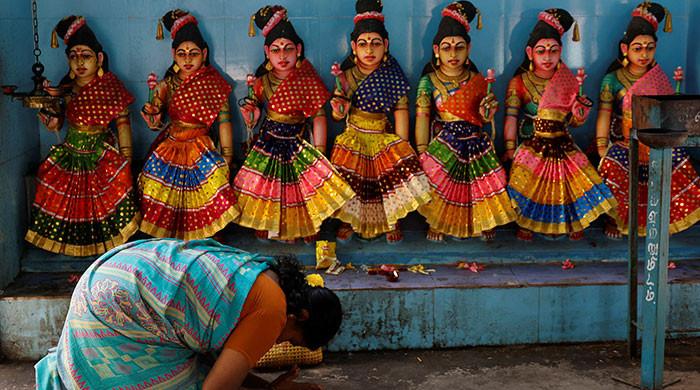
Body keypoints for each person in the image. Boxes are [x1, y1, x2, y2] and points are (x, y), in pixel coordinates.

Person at [34, 238, 342, 389]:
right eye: (291, 340)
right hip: (115, 318)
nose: (277, 344)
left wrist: (266, 387)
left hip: (99, 287)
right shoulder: (274, 309)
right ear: (298, 316)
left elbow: (214, 362)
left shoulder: (259, 272)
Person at [234, 5, 355, 244]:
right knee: (268, 188)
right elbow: (251, 119)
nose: (282, 56)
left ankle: (304, 225)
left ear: (298, 49)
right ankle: (269, 225)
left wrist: (320, 151)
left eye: (288, 49)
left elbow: (319, 116)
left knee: (299, 189)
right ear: (267, 52)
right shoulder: (261, 82)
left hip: (297, 142)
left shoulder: (308, 79)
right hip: (268, 141)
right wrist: (251, 115)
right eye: (276, 50)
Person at [25, 15, 139, 257]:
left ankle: (109, 247)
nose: (79, 62)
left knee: (111, 193)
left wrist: (126, 161)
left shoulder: (112, 88)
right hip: (71, 152)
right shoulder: (65, 90)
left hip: (101, 154)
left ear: (99, 58)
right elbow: (55, 125)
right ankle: (72, 247)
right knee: (50, 181)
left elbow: (123, 128)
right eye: (73, 56)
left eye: (85, 55)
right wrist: (45, 109)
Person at [502, 8, 617, 241]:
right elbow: (511, 117)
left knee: (572, 181)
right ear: (530, 52)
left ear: (561, 52)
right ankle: (526, 223)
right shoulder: (519, 82)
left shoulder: (568, 80)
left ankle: (570, 222)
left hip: (562, 141)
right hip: (531, 142)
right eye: (541, 51)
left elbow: (574, 122)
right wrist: (509, 148)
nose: (547, 57)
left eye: (553, 51)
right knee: (527, 183)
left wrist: (580, 114)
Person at [595, 2, 700, 239]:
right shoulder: (612, 80)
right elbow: (603, 114)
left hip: (654, 140)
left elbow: (668, 114)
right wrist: (602, 146)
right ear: (625, 49)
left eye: (649, 48)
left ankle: (667, 218)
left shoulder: (659, 77)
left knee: (679, 159)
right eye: (638, 48)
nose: (644, 54)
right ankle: (616, 219)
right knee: (612, 163)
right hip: (624, 141)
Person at [330, 0, 431, 243]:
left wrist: (402, 143)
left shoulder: (392, 74)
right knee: (351, 182)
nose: (369, 50)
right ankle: (349, 221)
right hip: (354, 134)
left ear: (385, 45)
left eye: (376, 43)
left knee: (387, 183)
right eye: (363, 44)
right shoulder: (347, 76)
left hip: (382, 135)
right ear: (353, 47)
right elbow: (337, 114)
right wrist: (339, 108)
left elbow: (400, 110)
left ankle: (390, 221)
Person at [415, 1, 516, 242]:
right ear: (436, 50)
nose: (453, 54)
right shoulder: (429, 81)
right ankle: (438, 222)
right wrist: (420, 151)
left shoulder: (477, 80)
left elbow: (484, 119)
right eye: (447, 47)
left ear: (468, 49)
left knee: (482, 184)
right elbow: (422, 118)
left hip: (475, 143)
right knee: (440, 182)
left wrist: (488, 113)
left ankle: (483, 219)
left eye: (459, 47)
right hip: (444, 141)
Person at [140, 9, 238, 240]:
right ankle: (167, 234)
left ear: (204, 53)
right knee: (154, 181)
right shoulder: (166, 85)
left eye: (193, 53)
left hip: (201, 144)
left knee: (211, 180)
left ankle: (207, 232)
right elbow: (156, 122)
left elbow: (225, 122)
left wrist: (228, 155)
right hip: (171, 144)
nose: (187, 59)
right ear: (173, 54)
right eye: (182, 53)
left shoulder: (215, 83)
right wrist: (151, 116)